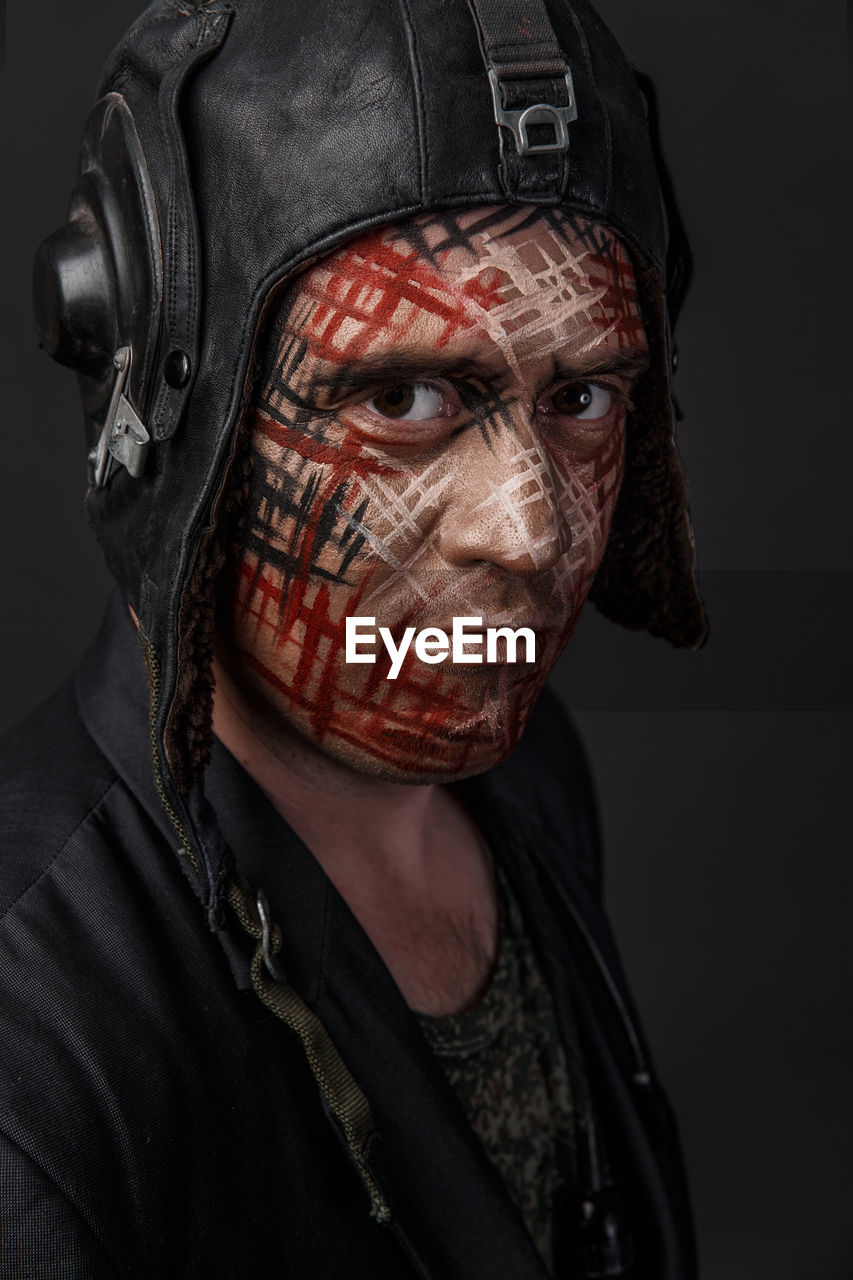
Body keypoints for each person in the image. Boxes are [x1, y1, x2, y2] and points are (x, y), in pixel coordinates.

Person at [0, 0, 705, 1275]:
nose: (528, 531)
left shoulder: (530, 779)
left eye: (585, 396)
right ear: (176, 406)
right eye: (404, 397)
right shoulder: (33, 1023)